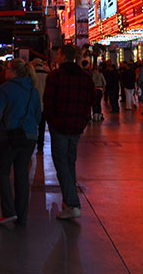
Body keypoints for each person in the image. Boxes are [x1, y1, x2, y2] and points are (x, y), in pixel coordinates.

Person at [44, 45, 95, 220]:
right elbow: (92, 100)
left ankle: (73, 204)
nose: (56, 56)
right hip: (77, 126)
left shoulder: (55, 76)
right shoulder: (85, 77)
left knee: (61, 163)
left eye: (58, 54)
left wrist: (50, 120)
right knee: (70, 162)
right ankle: (68, 200)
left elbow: (48, 102)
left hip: (59, 125)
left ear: (63, 56)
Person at [0, 59, 41, 227]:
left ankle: (8, 211)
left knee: (2, 173)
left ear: (13, 71)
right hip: (29, 137)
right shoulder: (33, 91)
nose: (5, 71)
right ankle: (22, 216)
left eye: (7, 68)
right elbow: (38, 115)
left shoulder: (5, 89)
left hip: (9, 136)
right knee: (22, 176)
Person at [31, 58, 49, 153]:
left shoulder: (31, 76)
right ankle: (40, 145)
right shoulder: (47, 75)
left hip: (32, 105)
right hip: (44, 104)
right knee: (42, 126)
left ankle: (32, 143)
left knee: (32, 125)